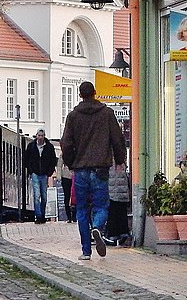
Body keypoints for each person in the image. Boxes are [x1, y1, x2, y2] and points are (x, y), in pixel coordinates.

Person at [60, 81, 127, 260]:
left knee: (81, 210)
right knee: (101, 206)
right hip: (100, 169)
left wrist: (71, 163)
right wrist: (120, 160)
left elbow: (66, 143)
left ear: (80, 95)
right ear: (95, 93)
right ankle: (97, 226)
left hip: (80, 169)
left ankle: (86, 251)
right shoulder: (107, 114)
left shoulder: (73, 116)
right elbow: (118, 139)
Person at [25, 129, 57, 224]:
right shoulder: (31, 146)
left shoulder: (49, 147)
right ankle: (38, 216)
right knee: (36, 195)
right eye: (38, 135)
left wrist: (49, 172)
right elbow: (27, 159)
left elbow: (53, 160)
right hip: (35, 173)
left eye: (42, 135)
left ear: (44, 136)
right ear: (36, 136)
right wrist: (30, 171)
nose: (40, 137)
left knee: (44, 196)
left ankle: (42, 215)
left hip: (44, 174)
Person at [104, 162, 131, 246]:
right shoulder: (121, 162)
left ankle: (112, 235)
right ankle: (124, 232)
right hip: (122, 193)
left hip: (113, 193)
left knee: (112, 214)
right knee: (122, 213)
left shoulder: (109, 161)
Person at [57, 153, 76, 223]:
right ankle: (69, 216)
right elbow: (59, 165)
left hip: (76, 176)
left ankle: (74, 216)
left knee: (76, 196)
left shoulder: (78, 151)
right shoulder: (63, 154)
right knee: (67, 196)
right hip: (66, 177)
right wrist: (59, 176)